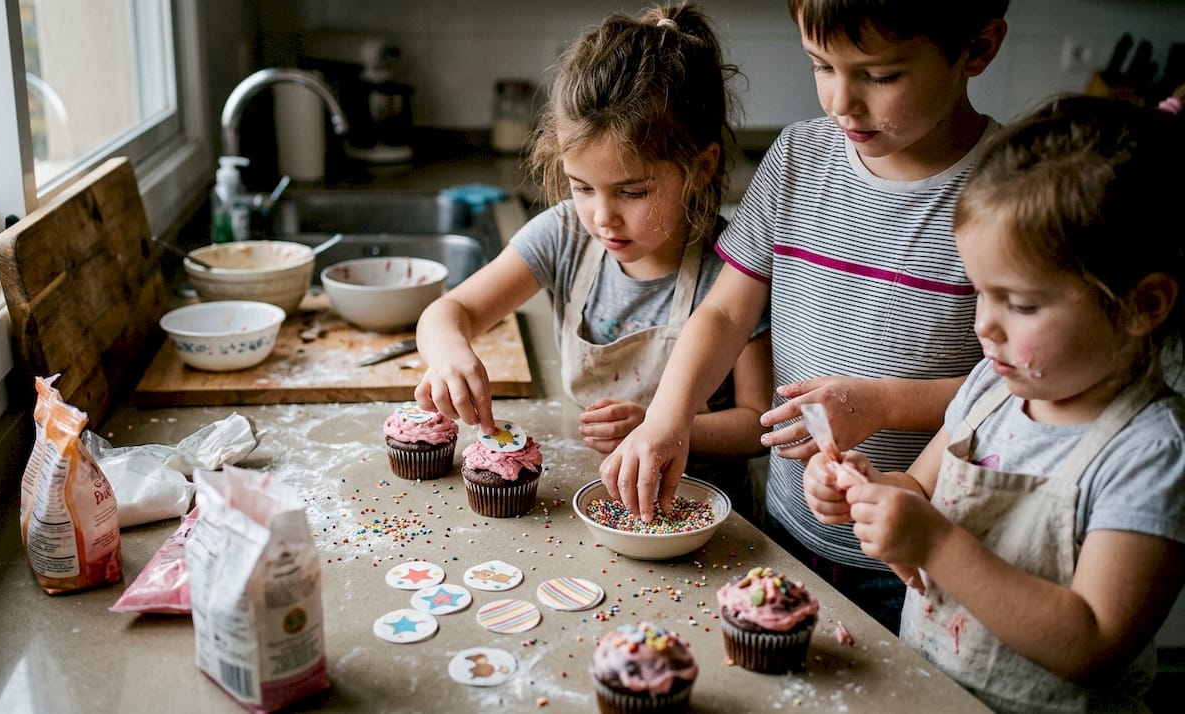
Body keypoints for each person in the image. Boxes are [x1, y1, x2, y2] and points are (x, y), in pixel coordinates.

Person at [599, 0, 1010, 632]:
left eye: (880, 75)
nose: (842, 102)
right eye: (821, 66)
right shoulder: (796, 158)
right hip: (786, 531)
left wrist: (886, 404)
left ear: (977, 50)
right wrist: (668, 418)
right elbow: (725, 313)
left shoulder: (1013, 193)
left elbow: (1015, 390)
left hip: (919, 558)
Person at [803, 94, 1185, 713]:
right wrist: (865, 491)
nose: (985, 326)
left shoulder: (1153, 453)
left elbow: (1093, 643)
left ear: (1144, 305)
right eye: (981, 292)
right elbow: (919, 489)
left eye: (1022, 304)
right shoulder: (990, 389)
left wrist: (935, 545)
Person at [413, 3, 771, 517]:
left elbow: (757, 422)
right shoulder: (565, 235)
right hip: (594, 498)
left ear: (701, 166)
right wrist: (450, 354)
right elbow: (450, 311)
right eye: (582, 187)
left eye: (632, 191)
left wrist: (663, 423)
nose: (603, 218)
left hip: (706, 517)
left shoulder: (733, 271)